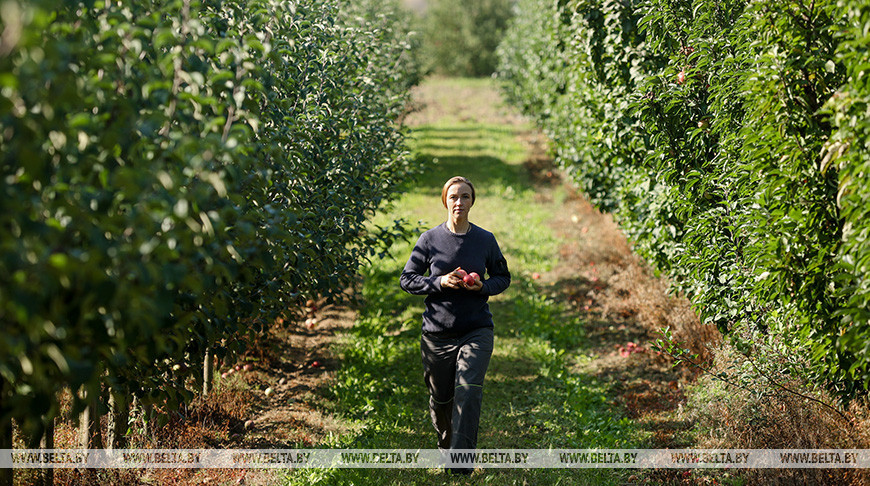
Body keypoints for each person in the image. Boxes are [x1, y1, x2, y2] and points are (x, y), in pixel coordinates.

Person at [399, 176, 511, 475]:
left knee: (469, 390)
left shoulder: (485, 240)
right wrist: (439, 281)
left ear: (472, 201)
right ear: (445, 201)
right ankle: (446, 445)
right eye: (453, 197)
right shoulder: (429, 240)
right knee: (441, 399)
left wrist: (482, 287)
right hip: (437, 333)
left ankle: (461, 467)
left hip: (476, 329)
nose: (459, 202)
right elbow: (407, 278)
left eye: (465, 196)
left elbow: (503, 277)